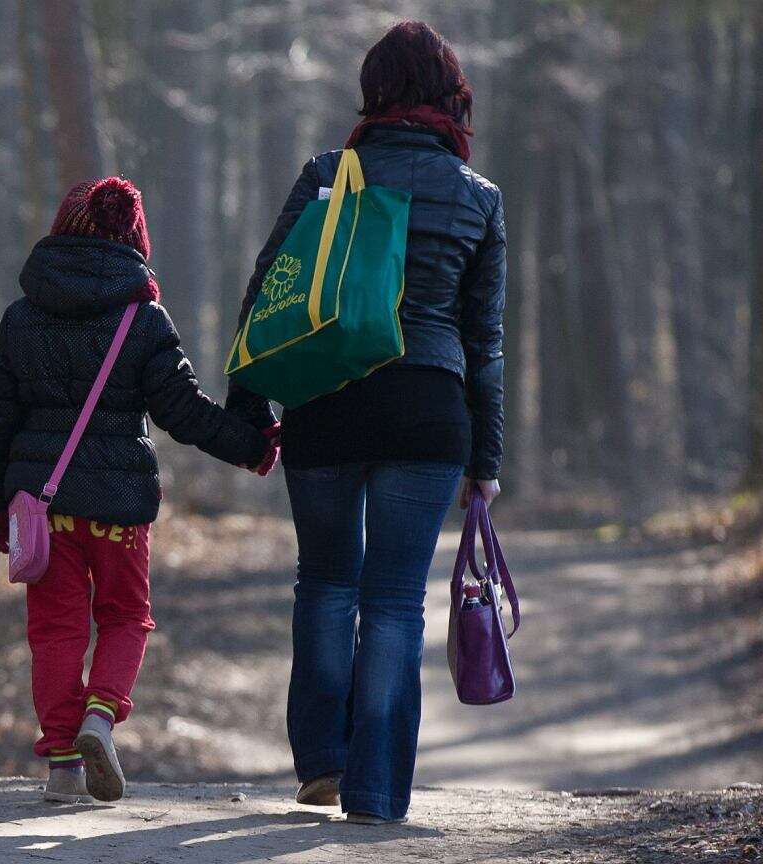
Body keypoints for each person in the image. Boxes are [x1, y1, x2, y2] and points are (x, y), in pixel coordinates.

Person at [226, 21, 506, 824]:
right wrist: (485, 460)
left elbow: (268, 293)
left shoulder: (327, 174)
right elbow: (482, 343)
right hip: (427, 411)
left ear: (374, 90)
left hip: (325, 399)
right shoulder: (476, 197)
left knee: (323, 583)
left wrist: (251, 409)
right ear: (448, 94)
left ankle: (321, 759)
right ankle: (376, 793)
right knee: (390, 604)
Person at [0, 177, 279, 804]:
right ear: (132, 236)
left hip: (42, 506)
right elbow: (183, 410)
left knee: (56, 631)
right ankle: (100, 718)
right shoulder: (142, 319)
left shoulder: (21, 315)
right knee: (124, 617)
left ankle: (61, 766)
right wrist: (251, 447)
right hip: (118, 510)